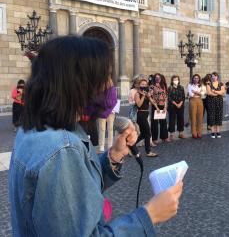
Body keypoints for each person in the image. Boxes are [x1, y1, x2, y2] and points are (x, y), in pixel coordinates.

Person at [9, 36, 183, 237]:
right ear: (79, 83)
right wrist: (150, 215)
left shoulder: (35, 128)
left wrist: (113, 157)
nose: (110, 85)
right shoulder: (62, 150)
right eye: (106, 77)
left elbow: (75, 190)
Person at [134, 78, 159, 157]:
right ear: (139, 85)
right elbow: (139, 105)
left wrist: (157, 107)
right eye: (142, 84)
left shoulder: (147, 93)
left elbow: (152, 101)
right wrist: (143, 96)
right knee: (148, 133)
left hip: (145, 114)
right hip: (140, 115)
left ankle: (131, 145)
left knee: (143, 134)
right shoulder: (137, 94)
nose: (144, 85)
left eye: (145, 84)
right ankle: (148, 152)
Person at [150, 73, 170, 143]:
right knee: (154, 123)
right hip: (155, 106)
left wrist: (165, 107)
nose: (157, 79)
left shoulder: (163, 86)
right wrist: (156, 107)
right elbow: (150, 97)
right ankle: (154, 139)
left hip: (162, 105)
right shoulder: (152, 86)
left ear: (161, 79)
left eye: (159, 77)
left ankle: (164, 137)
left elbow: (166, 97)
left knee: (163, 122)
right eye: (156, 77)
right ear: (154, 78)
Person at [206, 72, 225, 138]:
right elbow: (208, 93)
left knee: (219, 116)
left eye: (215, 76)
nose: (214, 77)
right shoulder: (208, 84)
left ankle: (218, 131)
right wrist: (217, 93)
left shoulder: (221, 84)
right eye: (212, 76)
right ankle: (213, 132)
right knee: (212, 116)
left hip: (219, 102)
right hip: (211, 102)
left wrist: (214, 91)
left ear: (217, 77)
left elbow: (223, 92)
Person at [168, 75, 186, 140]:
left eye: (177, 79)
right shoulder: (170, 88)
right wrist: (176, 104)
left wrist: (180, 103)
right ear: (172, 81)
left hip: (181, 105)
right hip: (172, 106)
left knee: (181, 119)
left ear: (179, 80)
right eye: (174, 79)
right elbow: (169, 98)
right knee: (172, 120)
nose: (176, 81)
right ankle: (171, 134)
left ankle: (180, 133)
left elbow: (183, 97)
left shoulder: (181, 87)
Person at [188, 74, 204, 139]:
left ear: (199, 79)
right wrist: (198, 93)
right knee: (193, 116)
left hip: (200, 101)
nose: (196, 79)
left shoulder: (201, 85)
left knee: (200, 116)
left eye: (197, 78)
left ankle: (199, 131)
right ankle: (194, 132)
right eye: (194, 78)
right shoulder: (190, 85)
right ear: (193, 79)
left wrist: (195, 92)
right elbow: (190, 94)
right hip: (192, 101)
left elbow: (203, 94)